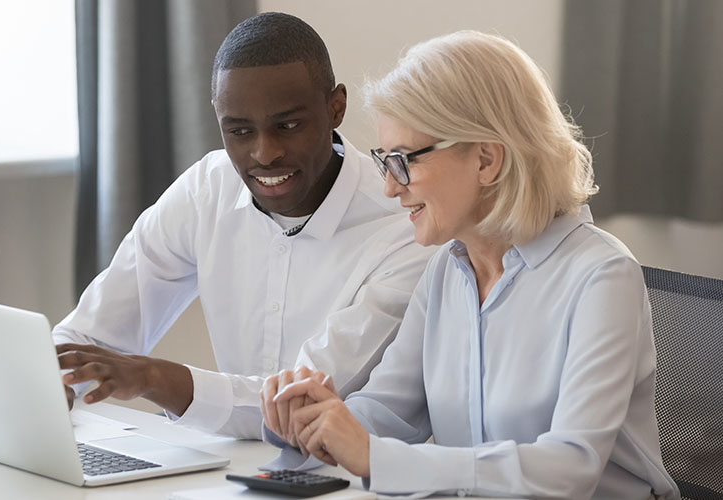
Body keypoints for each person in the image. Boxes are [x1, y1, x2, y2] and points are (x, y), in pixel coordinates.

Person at [261, 31, 680, 499]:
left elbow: (571, 467)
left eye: (403, 161)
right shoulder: (446, 270)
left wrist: (374, 456)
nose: (390, 188)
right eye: (386, 162)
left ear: (486, 159)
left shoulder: (602, 277)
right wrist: (311, 421)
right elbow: (390, 413)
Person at [53, 12, 434, 440]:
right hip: (227, 467)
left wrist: (154, 378)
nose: (264, 153)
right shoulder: (207, 189)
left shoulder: (403, 226)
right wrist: (49, 381)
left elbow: (303, 401)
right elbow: (90, 334)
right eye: (239, 131)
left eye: (287, 126)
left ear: (335, 107)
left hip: (344, 477)